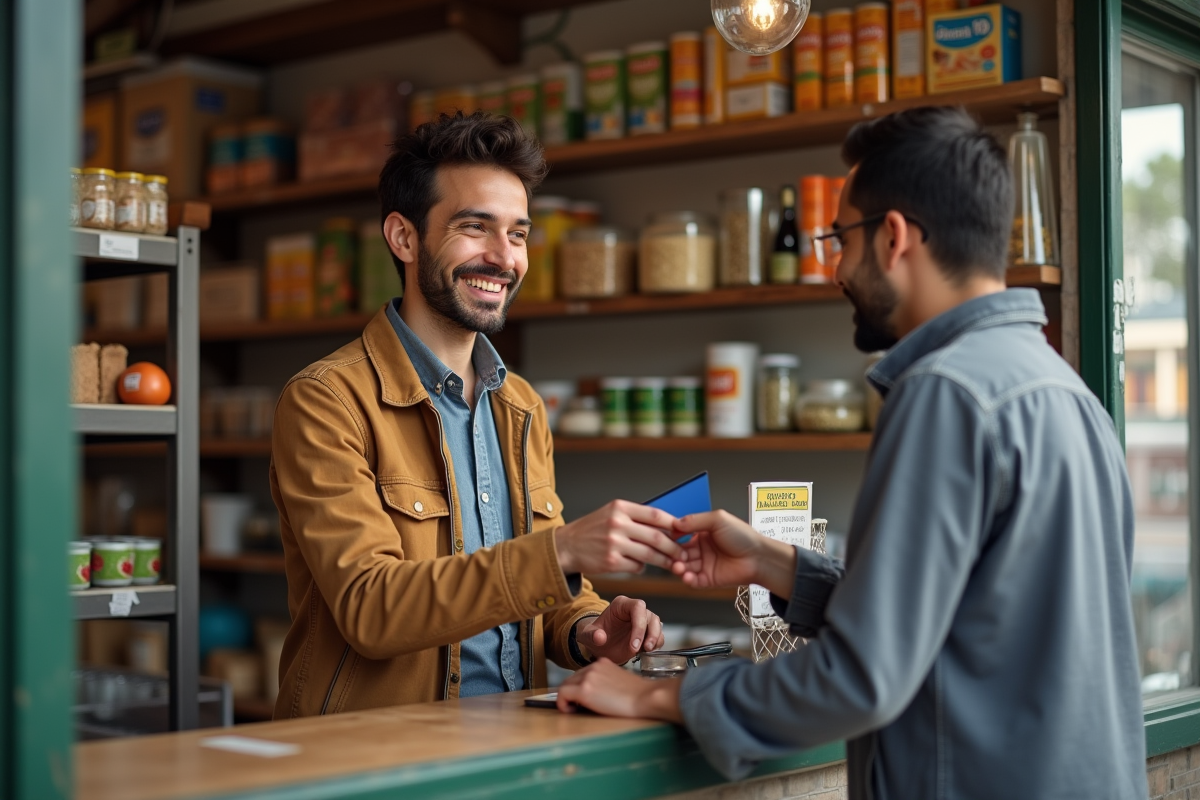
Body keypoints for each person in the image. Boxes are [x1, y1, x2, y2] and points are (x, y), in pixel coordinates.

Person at [556, 106, 1148, 799]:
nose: (836, 266)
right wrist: (779, 566)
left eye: (839, 239)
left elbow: (861, 676)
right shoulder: (1066, 392)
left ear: (893, 237)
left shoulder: (945, 394)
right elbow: (971, 623)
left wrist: (661, 696)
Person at [269, 112, 684, 717]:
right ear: (404, 238)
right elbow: (370, 610)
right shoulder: (326, 400)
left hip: (517, 744)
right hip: (377, 756)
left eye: (518, 234)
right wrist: (561, 552)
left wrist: (589, 628)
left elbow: (540, 595)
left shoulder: (520, 405)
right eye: (475, 227)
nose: (503, 257)